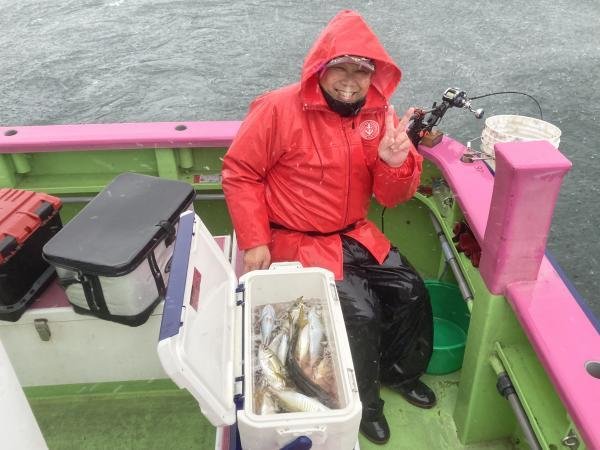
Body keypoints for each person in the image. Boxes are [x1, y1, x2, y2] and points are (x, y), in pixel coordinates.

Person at [222, 9, 434, 445]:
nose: (351, 81)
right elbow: (241, 173)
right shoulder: (277, 108)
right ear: (320, 67)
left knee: (411, 290)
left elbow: (391, 197)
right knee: (360, 315)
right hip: (299, 242)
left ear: (374, 75)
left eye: (362, 70)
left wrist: (396, 163)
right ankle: (366, 406)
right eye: (341, 67)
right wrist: (255, 240)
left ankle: (400, 373)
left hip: (355, 233)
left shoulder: (379, 114)